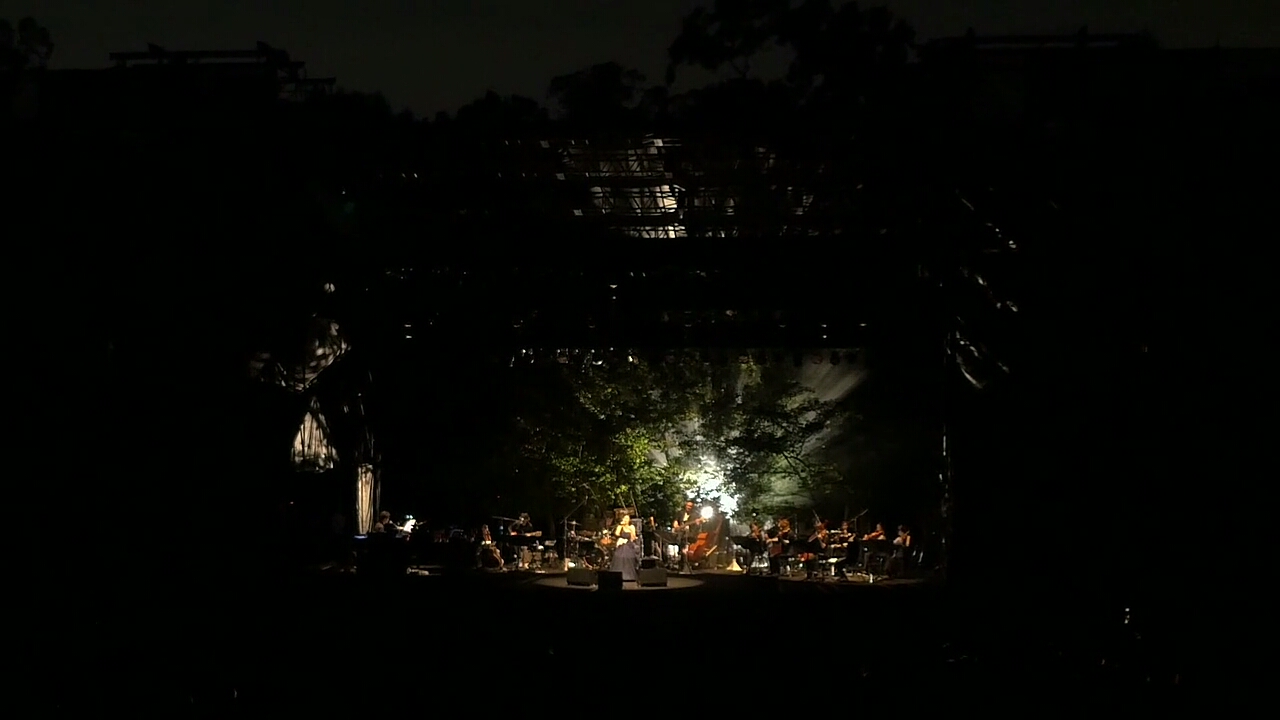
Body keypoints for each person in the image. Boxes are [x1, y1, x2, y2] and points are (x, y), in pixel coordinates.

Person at [609, 514, 641, 581]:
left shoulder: (632, 527)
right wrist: (620, 526)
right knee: (619, 557)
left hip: (629, 544)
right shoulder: (620, 526)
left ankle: (629, 576)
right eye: (625, 518)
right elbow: (617, 534)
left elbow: (633, 537)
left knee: (629, 558)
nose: (626, 520)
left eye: (627, 518)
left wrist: (629, 530)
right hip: (621, 544)